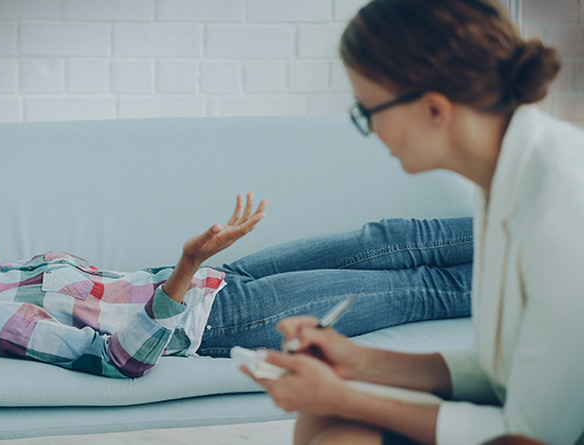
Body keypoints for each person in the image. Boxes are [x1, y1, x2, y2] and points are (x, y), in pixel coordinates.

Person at [243, 1, 584, 444]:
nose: (370, 130)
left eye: (367, 110)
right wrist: (355, 361)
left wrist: (343, 397)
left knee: (341, 431)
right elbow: (500, 370)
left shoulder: (563, 199)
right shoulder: (502, 175)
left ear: (435, 110)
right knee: (321, 415)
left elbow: (535, 435)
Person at [0, 192, 472, 379]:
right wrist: (186, 271)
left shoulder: (1, 272)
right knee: (418, 286)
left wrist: (193, 269)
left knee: (380, 238)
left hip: (218, 280)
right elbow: (118, 360)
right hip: (216, 318)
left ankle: (524, 227)